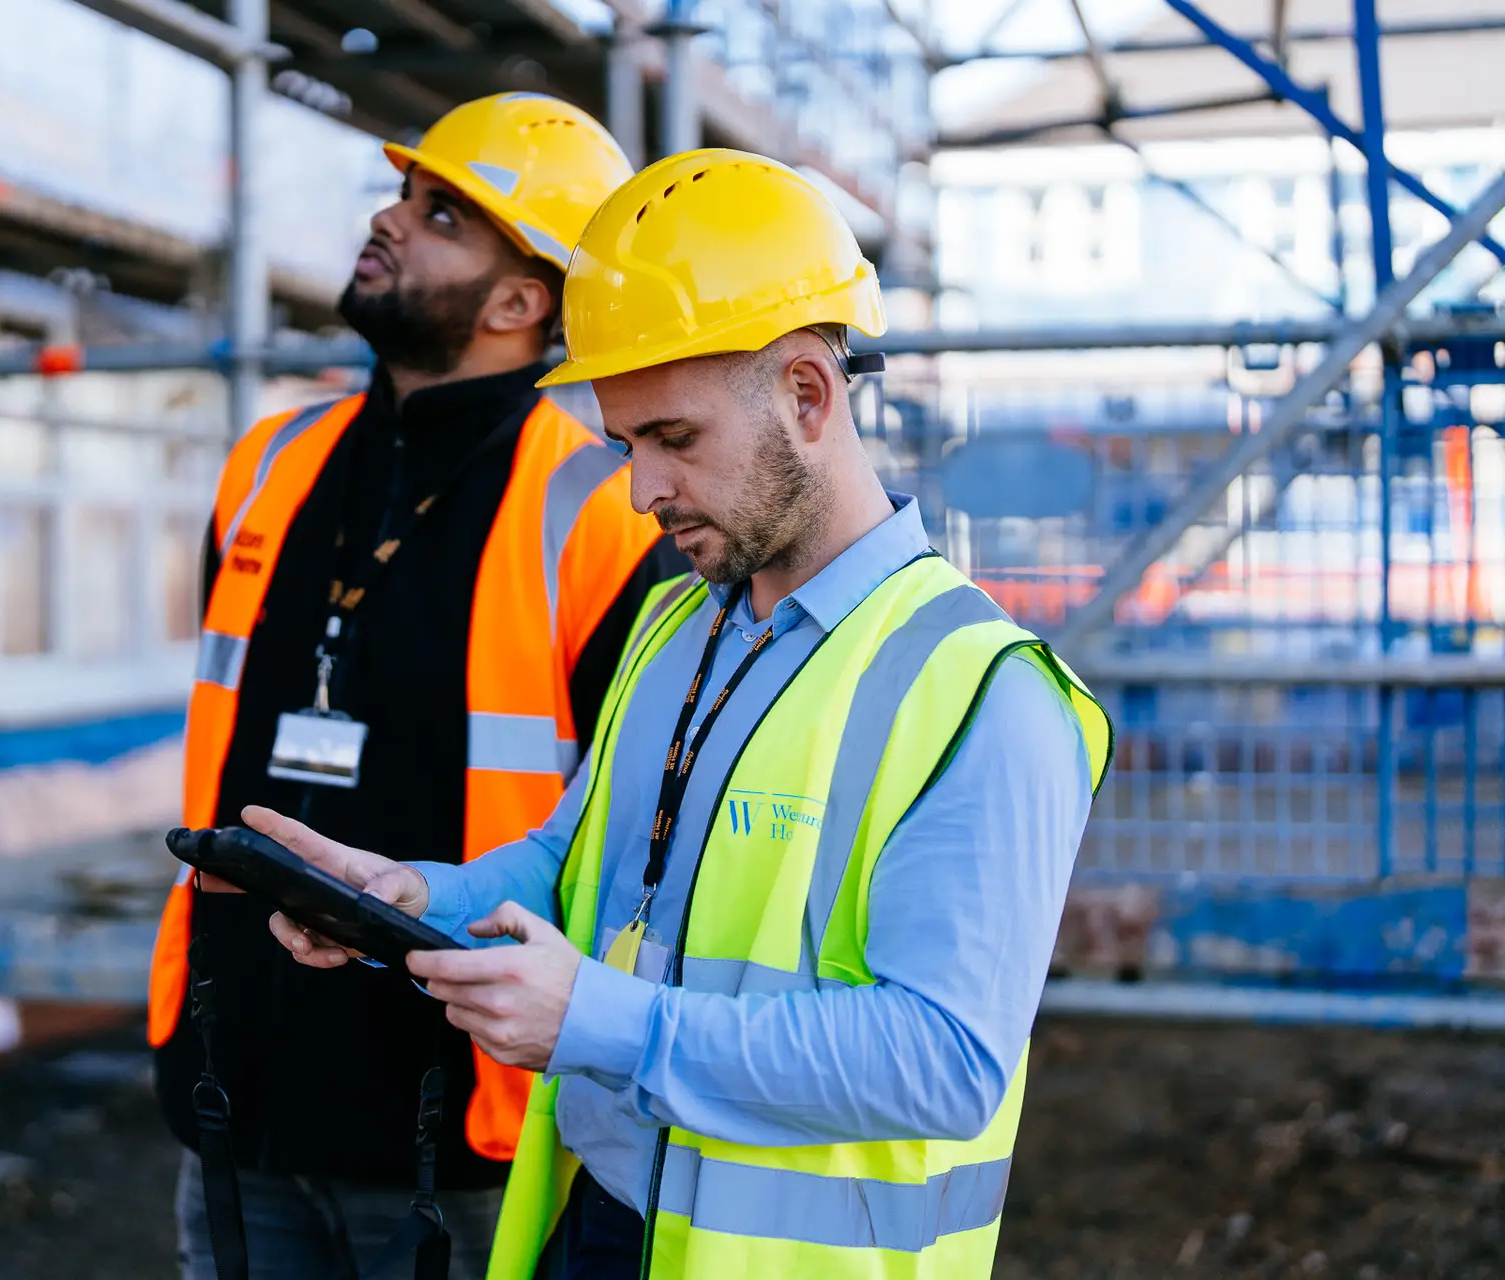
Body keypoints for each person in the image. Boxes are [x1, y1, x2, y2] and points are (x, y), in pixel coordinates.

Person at [246, 148, 1114, 1280]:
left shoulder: (981, 692)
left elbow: (942, 1060)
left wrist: (604, 1021)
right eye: (626, 444)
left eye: (675, 439)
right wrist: (419, 897)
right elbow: (580, 856)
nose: (642, 489)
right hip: (600, 1223)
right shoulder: (678, 628)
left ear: (808, 394)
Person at [148, 93, 686, 1280]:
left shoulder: (606, 508)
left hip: (464, 1124)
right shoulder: (269, 465)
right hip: (236, 1078)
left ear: (519, 302)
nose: (391, 218)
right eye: (404, 194)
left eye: (441, 213)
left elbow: (643, 833)